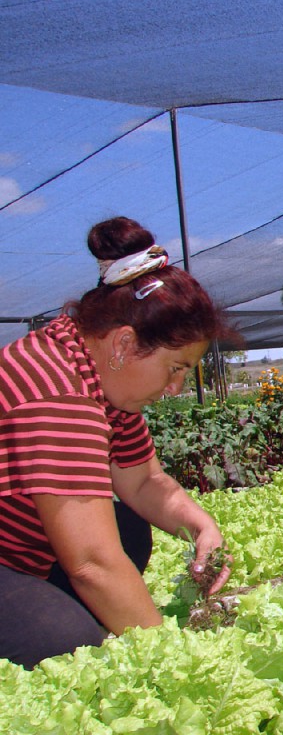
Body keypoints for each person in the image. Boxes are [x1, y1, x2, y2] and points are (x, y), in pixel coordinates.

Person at [0, 216, 236, 669]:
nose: (175, 388)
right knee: (65, 643)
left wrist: (200, 526)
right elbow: (91, 564)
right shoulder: (58, 395)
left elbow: (144, 482)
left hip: (21, 554)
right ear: (124, 344)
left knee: (127, 529)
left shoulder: (96, 373)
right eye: (175, 367)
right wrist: (174, 662)